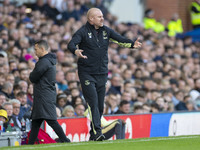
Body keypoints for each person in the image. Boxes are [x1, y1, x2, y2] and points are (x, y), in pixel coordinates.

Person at [68, 8, 142, 141]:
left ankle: (92, 133)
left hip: (102, 72)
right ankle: (97, 132)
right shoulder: (83, 32)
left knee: (100, 105)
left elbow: (119, 39)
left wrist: (132, 44)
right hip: (87, 73)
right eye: (99, 17)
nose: (102, 18)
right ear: (91, 19)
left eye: (102, 16)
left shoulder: (106, 31)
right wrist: (75, 51)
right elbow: (71, 44)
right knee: (93, 102)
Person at [28, 40, 70, 144]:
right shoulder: (48, 61)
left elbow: (33, 77)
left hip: (43, 95)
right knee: (36, 122)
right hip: (44, 94)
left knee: (51, 120)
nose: (35, 52)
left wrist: (31, 74)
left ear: (42, 49)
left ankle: (66, 140)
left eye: (36, 49)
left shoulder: (44, 62)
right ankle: (30, 144)